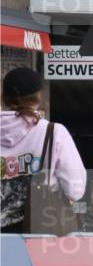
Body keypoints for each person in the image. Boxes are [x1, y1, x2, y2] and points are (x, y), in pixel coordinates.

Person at [1, 67, 86, 232]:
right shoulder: (54, 132)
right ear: (39, 97)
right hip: (40, 225)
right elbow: (75, 189)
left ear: (4, 97)